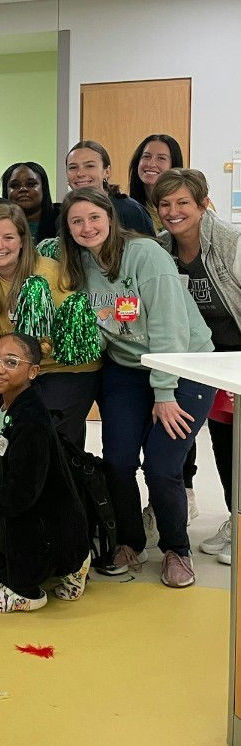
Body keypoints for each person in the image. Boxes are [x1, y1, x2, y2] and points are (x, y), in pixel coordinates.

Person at [59, 187, 214, 587]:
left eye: (94, 217)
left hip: (183, 366)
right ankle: (129, 541)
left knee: (163, 467)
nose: (86, 227)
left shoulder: (146, 256)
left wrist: (164, 393)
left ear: (110, 217)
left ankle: (177, 549)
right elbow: (102, 327)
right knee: (118, 461)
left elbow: (169, 328)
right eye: (76, 221)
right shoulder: (79, 264)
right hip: (128, 369)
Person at [0, 333, 91, 612]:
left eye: (11, 362)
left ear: (33, 371)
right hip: (35, 520)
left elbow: (19, 496)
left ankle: (25, 588)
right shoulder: (13, 402)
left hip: (40, 527)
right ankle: (64, 565)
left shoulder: (31, 421)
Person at [153, 168, 241, 564]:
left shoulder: (230, 243)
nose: (174, 211)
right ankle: (234, 519)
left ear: (204, 203)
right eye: (166, 204)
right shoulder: (160, 248)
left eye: (183, 202)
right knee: (224, 444)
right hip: (203, 357)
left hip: (237, 352)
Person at [0, 204, 101, 449]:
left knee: (45, 440)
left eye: (8, 237)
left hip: (67, 369)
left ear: (22, 241)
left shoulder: (47, 272)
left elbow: (75, 332)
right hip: (22, 370)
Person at [65, 140, 154, 235]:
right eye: (73, 167)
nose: (80, 173)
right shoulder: (65, 213)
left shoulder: (130, 211)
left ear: (107, 172)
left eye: (90, 166)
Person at [128, 134, 184, 231]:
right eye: (146, 156)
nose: (151, 164)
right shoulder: (129, 208)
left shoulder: (192, 204)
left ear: (174, 165)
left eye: (161, 158)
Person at [1, 161, 59, 244]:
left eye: (31, 184)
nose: (23, 189)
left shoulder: (62, 219)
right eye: (15, 185)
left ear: (43, 188)